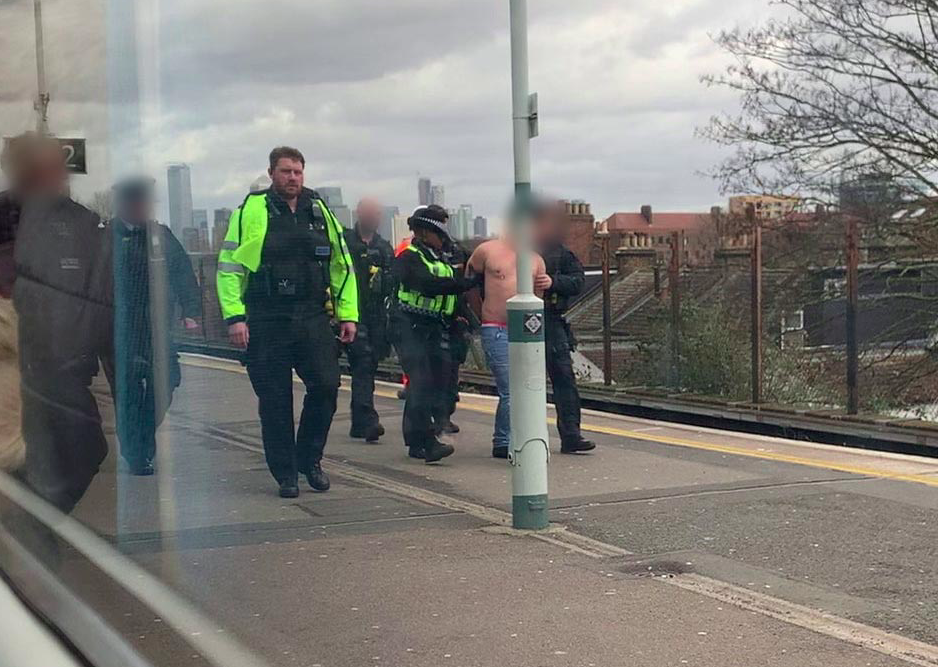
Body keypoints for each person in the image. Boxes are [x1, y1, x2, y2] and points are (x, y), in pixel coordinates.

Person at [217, 146, 358, 498]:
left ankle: (309, 459)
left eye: (297, 172)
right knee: (275, 399)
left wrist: (348, 314)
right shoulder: (252, 210)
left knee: (326, 386)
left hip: (311, 314)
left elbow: (342, 265)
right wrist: (235, 317)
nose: (292, 178)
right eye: (285, 172)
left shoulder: (319, 209)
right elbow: (230, 267)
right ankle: (285, 474)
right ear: (271, 174)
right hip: (267, 317)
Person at [10, 133, 114, 512]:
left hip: (67, 367)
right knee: (26, 454)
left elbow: (100, 295)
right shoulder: (7, 216)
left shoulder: (82, 222)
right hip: (19, 364)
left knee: (88, 448)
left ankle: (34, 520)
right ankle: (32, 527)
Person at [110, 177, 201, 475]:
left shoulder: (161, 235)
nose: (143, 208)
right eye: (137, 203)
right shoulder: (107, 236)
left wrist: (192, 311)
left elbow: (183, 273)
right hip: (121, 330)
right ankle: (138, 453)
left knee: (167, 381)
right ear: (124, 204)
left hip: (158, 329)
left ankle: (141, 439)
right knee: (130, 393)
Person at [391, 206, 474, 463]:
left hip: (433, 325)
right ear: (425, 233)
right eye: (439, 232)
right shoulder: (409, 257)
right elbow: (429, 286)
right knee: (421, 382)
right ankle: (426, 442)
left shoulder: (440, 256)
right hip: (408, 325)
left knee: (433, 382)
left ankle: (417, 440)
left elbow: (453, 291)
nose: (444, 238)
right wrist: (469, 282)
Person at [467, 228, 547, 458]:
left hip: (524, 332)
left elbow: (539, 298)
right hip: (495, 328)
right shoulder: (488, 250)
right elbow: (469, 279)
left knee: (527, 387)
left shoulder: (536, 260)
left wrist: (548, 282)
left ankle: (518, 436)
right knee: (510, 388)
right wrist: (477, 311)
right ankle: (502, 440)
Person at [534, 199, 596, 454]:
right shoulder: (511, 250)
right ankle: (509, 438)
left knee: (563, 379)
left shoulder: (559, 252)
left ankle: (571, 435)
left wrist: (553, 282)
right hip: (515, 323)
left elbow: (578, 281)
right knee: (515, 383)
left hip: (550, 320)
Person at [343, 198, 393, 442]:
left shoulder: (384, 247)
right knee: (362, 363)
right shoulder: (345, 243)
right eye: (369, 212)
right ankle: (368, 419)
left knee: (368, 366)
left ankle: (359, 421)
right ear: (359, 213)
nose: (374, 217)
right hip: (352, 313)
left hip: (377, 317)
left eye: (377, 213)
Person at [440, 235, 473, 434]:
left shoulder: (457, 250)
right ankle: (438, 418)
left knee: (451, 374)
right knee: (440, 375)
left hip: (457, 322)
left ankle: (445, 416)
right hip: (437, 321)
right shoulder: (426, 257)